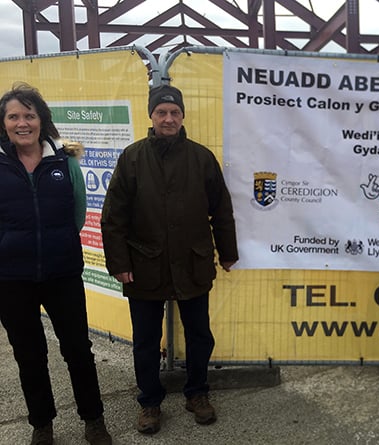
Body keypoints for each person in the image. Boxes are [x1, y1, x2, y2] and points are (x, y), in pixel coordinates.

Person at [100, 84, 238, 435]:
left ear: (182, 116)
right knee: (146, 340)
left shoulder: (202, 158)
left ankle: (197, 393)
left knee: (199, 335)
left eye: (175, 112)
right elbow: (113, 216)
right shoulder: (131, 158)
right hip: (144, 265)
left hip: (193, 262)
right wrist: (119, 264)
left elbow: (221, 210)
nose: (168, 118)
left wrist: (227, 253)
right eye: (161, 112)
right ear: (151, 115)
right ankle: (149, 402)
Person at [0, 82, 112, 445]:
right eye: (13, 116)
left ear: (41, 120)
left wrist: (53, 243)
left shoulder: (65, 163)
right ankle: (41, 425)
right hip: (11, 278)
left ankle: (93, 419)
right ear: (3, 124)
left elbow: (77, 216)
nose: (22, 123)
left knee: (78, 349)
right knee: (29, 355)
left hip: (62, 273)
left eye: (29, 115)